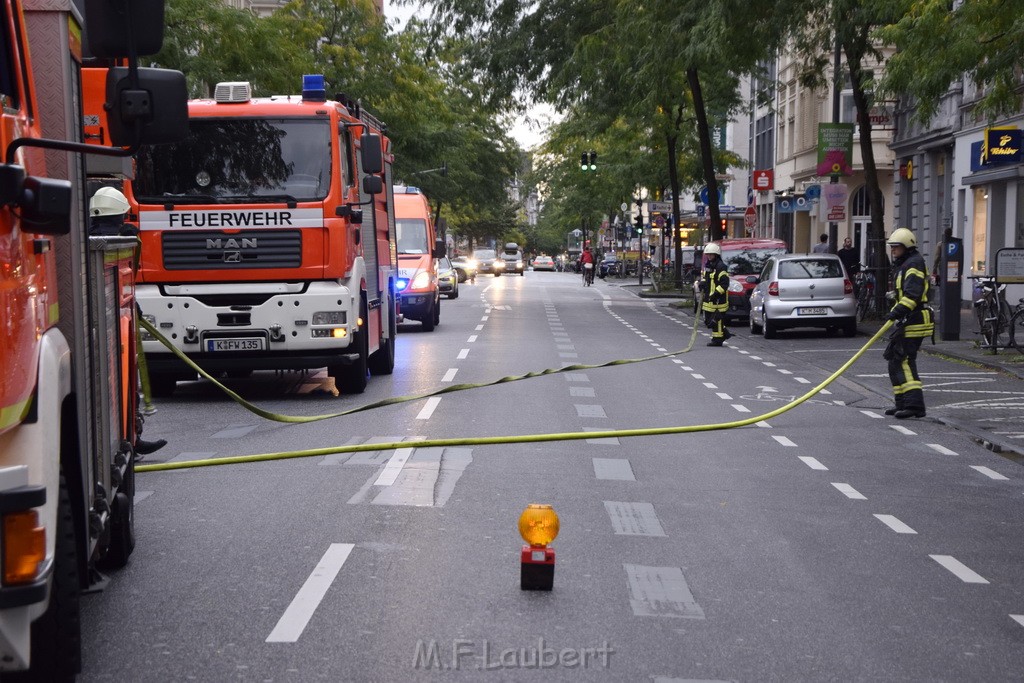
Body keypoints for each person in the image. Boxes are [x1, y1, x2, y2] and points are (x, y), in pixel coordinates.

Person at [90, 187, 167, 457]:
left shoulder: (90, 240)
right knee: (123, 384)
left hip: (102, 321)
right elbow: (126, 281)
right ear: (122, 213)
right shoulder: (121, 241)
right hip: (114, 322)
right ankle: (131, 438)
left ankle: (130, 438)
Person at [882, 227, 933, 419]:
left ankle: (915, 405)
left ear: (906, 247)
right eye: (892, 247)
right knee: (894, 360)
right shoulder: (906, 264)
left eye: (896, 247)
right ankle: (902, 403)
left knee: (903, 361)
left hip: (915, 320)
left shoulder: (914, 265)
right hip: (907, 320)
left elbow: (912, 296)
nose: (893, 251)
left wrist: (895, 313)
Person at [700, 243, 732, 347]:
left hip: (718, 299)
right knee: (709, 321)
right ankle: (725, 334)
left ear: (716, 255)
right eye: (708, 254)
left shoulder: (721, 267)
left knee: (716, 320)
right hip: (709, 298)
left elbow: (724, 284)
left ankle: (717, 339)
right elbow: (706, 278)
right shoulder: (709, 265)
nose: (709, 256)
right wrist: (703, 283)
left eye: (711, 254)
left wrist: (716, 293)